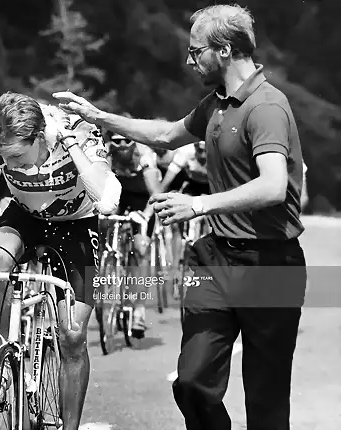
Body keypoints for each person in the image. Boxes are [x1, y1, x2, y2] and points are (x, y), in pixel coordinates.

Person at [54, 4, 307, 430]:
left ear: (224, 50)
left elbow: (273, 186)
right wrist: (99, 118)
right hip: (214, 260)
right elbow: (167, 135)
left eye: (196, 52)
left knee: (265, 401)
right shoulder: (218, 105)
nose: (190, 61)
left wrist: (200, 204)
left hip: (271, 265)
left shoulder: (267, 107)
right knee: (191, 382)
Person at [0, 91, 121, 429]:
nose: (12, 167)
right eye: (6, 159)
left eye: (20, 158)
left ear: (40, 136)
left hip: (76, 224)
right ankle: (2, 356)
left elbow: (108, 200)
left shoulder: (77, 130)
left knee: (72, 335)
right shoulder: (0, 141)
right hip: (25, 217)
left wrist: (71, 145)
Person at [104, 132, 162, 336]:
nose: (121, 145)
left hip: (143, 199)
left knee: (141, 248)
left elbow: (156, 194)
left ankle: (139, 310)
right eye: (116, 141)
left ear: (133, 141)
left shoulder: (145, 155)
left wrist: (146, 216)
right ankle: (109, 267)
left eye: (125, 140)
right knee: (104, 229)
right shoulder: (106, 154)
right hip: (119, 197)